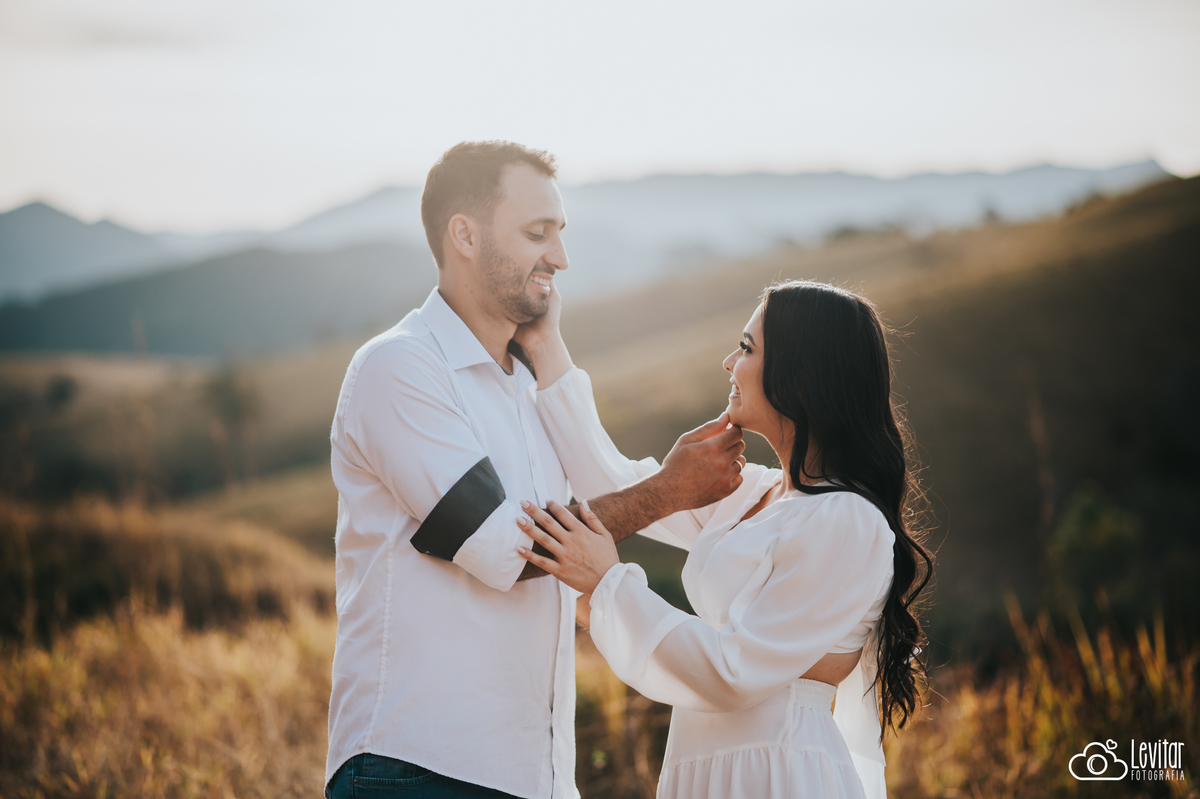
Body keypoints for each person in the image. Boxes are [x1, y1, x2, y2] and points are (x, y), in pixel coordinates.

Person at [324, 140, 747, 799]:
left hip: (533, 777)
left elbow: (602, 479)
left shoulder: (529, 385)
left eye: (560, 232)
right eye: (536, 233)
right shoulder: (400, 367)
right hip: (415, 767)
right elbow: (502, 548)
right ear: (464, 235)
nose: (560, 256)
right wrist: (666, 491)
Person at [516, 280, 934, 799]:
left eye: (747, 348)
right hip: (707, 765)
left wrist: (609, 583)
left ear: (800, 378)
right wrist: (543, 343)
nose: (728, 363)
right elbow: (608, 480)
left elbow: (734, 674)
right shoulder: (751, 493)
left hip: (780, 774)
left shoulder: (847, 520)